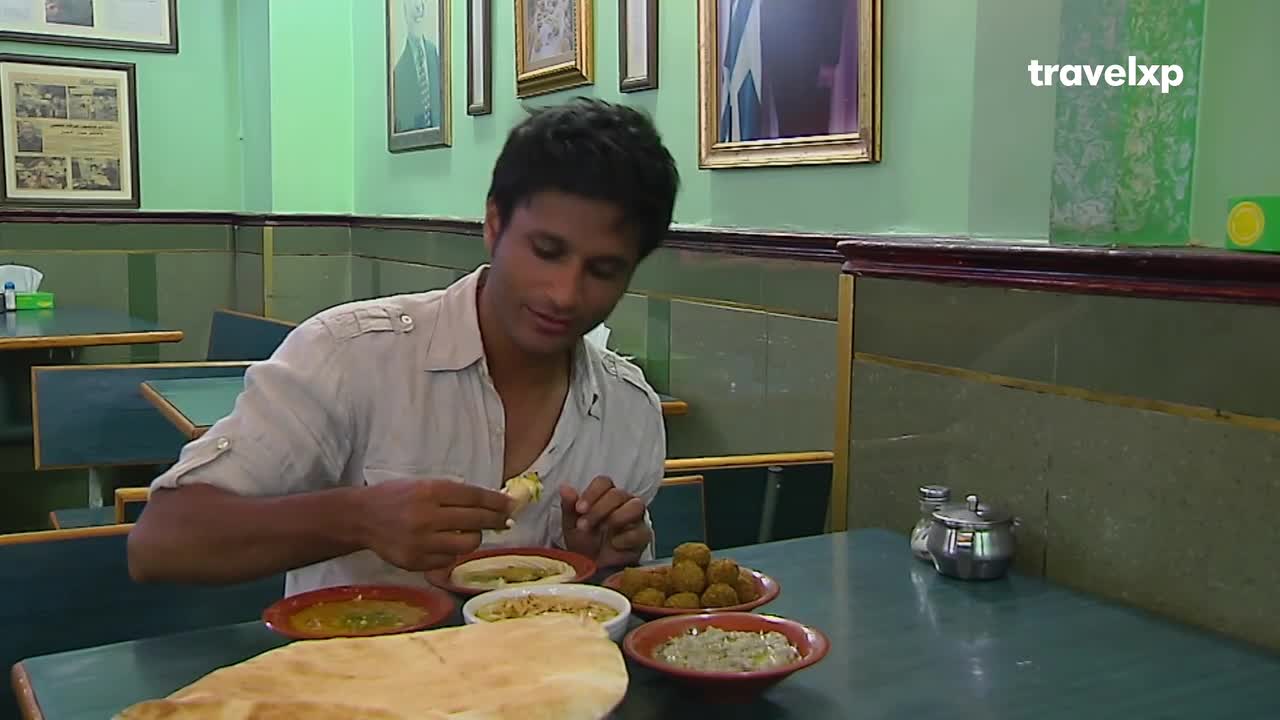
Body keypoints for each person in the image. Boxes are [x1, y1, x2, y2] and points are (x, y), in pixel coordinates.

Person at [127, 98, 681, 597]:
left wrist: (597, 564)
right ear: (493, 223)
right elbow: (162, 541)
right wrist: (357, 519)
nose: (564, 294)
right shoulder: (349, 355)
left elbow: (611, 605)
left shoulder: (629, 412)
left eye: (603, 270)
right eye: (546, 251)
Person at [392, 0, 444, 133]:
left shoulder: (435, 54)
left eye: (422, 2)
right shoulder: (398, 72)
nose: (418, 7)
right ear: (403, 11)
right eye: (413, 2)